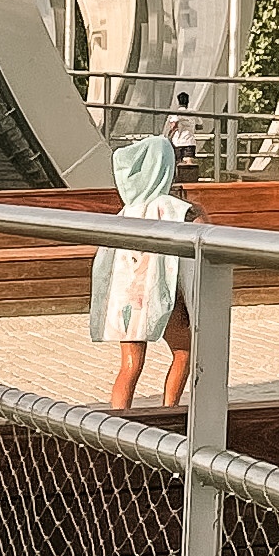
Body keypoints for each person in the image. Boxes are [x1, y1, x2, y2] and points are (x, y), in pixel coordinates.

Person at [90, 131, 202, 413]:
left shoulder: (126, 212)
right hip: (163, 294)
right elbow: (204, 228)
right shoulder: (174, 208)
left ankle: (118, 416)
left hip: (127, 298)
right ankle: (169, 409)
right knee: (183, 351)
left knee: (130, 363)